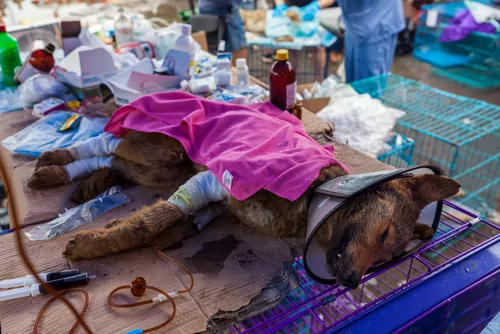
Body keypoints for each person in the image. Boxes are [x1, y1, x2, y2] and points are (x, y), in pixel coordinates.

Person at [334, 0, 404, 83]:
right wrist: (318, 5)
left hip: (377, 24)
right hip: (354, 24)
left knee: (369, 86)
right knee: (352, 86)